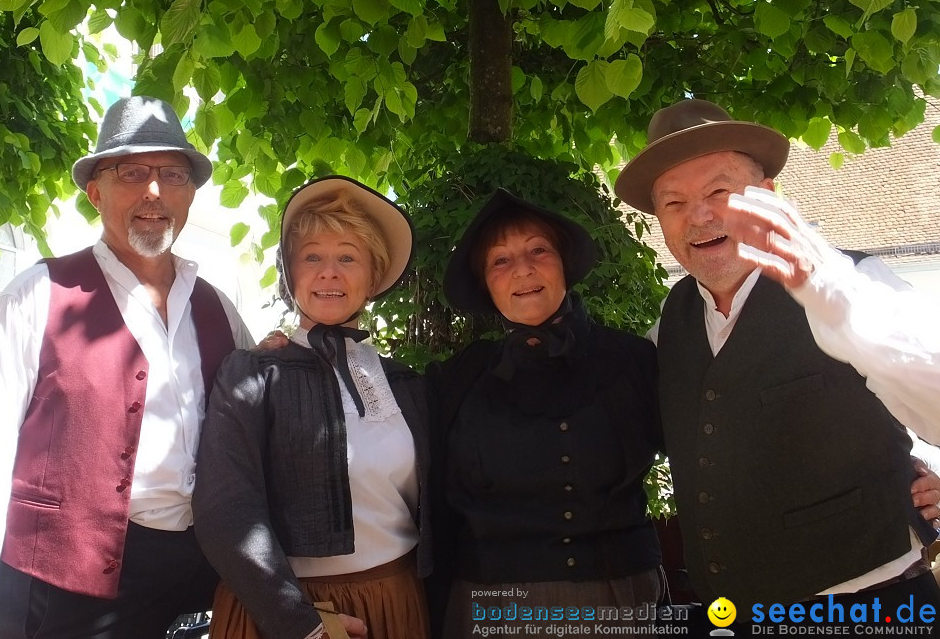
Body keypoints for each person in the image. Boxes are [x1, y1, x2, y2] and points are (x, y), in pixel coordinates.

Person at [0, 96, 255, 639]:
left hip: (200, 580)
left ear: (191, 194)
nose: (154, 190)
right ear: (95, 191)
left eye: (172, 174)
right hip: (64, 591)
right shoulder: (38, 296)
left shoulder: (219, 308)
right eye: (132, 172)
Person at [614, 98, 940, 615]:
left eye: (718, 191)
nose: (698, 216)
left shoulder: (854, 281)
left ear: (766, 197)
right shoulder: (671, 322)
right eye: (673, 204)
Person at [192, 176, 432, 639]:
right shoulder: (252, 374)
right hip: (284, 614)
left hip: (396, 603)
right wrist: (303, 625)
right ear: (291, 275)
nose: (329, 271)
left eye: (347, 256)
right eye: (312, 257)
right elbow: (226, 509)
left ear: (374, 275)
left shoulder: (407, 384)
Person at [430, 189, 665, 637]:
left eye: (538, 249)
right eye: (500, 260)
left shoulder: (634, 360)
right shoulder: (454, 380)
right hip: (490, 606)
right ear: (486, 283)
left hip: (618, 599)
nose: (523, 269)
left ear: (564, 263)